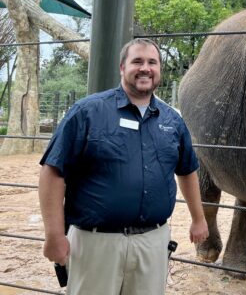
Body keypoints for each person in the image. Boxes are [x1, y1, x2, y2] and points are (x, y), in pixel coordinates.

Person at [38, 38, 208, 295]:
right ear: (121, 67)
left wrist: (199, 218)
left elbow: (187, 170)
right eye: (137, 61)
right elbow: (52, 172)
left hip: (153, 241)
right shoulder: (86, 112)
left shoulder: (173, 121)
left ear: (160, 70)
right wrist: (54, 235)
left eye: (152, 62)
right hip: (96, 242)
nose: (145, 68)